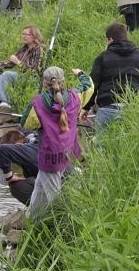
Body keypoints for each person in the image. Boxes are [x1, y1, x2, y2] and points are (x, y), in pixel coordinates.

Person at [20, 66, 94, 220]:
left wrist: (37, 100)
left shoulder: (38, 102)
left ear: (45, 83)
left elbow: (25, 123)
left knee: (55, 198)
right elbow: (88, 85)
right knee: (39, 189)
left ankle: (64, 225)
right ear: (63, 82)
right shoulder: (75, 97)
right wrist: (80, 73)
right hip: (66, 153)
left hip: (49, 157)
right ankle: (31, 220)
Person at [80, 22, 139, 132]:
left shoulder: (102, 58)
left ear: (110, 40)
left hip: (107, 108)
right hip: (134, 108)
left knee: (102, 147)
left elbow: (93, 85)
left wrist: (86, 107)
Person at [0, 25, 44, 110]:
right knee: (0, 78)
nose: (23, 36)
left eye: (26, 34)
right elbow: (9, 64)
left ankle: (6, 103)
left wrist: (19, 63)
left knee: (6, 75)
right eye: (22, 34)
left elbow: (35, 70)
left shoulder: (39, 49)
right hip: (23, 77)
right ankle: (4, 103)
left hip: (33, 79)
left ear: (34, 36)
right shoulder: (24, 48)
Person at [0, 130, 39, 205]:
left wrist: (9, 177)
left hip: (55, 182)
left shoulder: (27, 153)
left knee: (15, 185)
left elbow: (1, 150)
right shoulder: (33, 139)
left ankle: (40, 208)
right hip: (58, 178)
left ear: (17, 145)